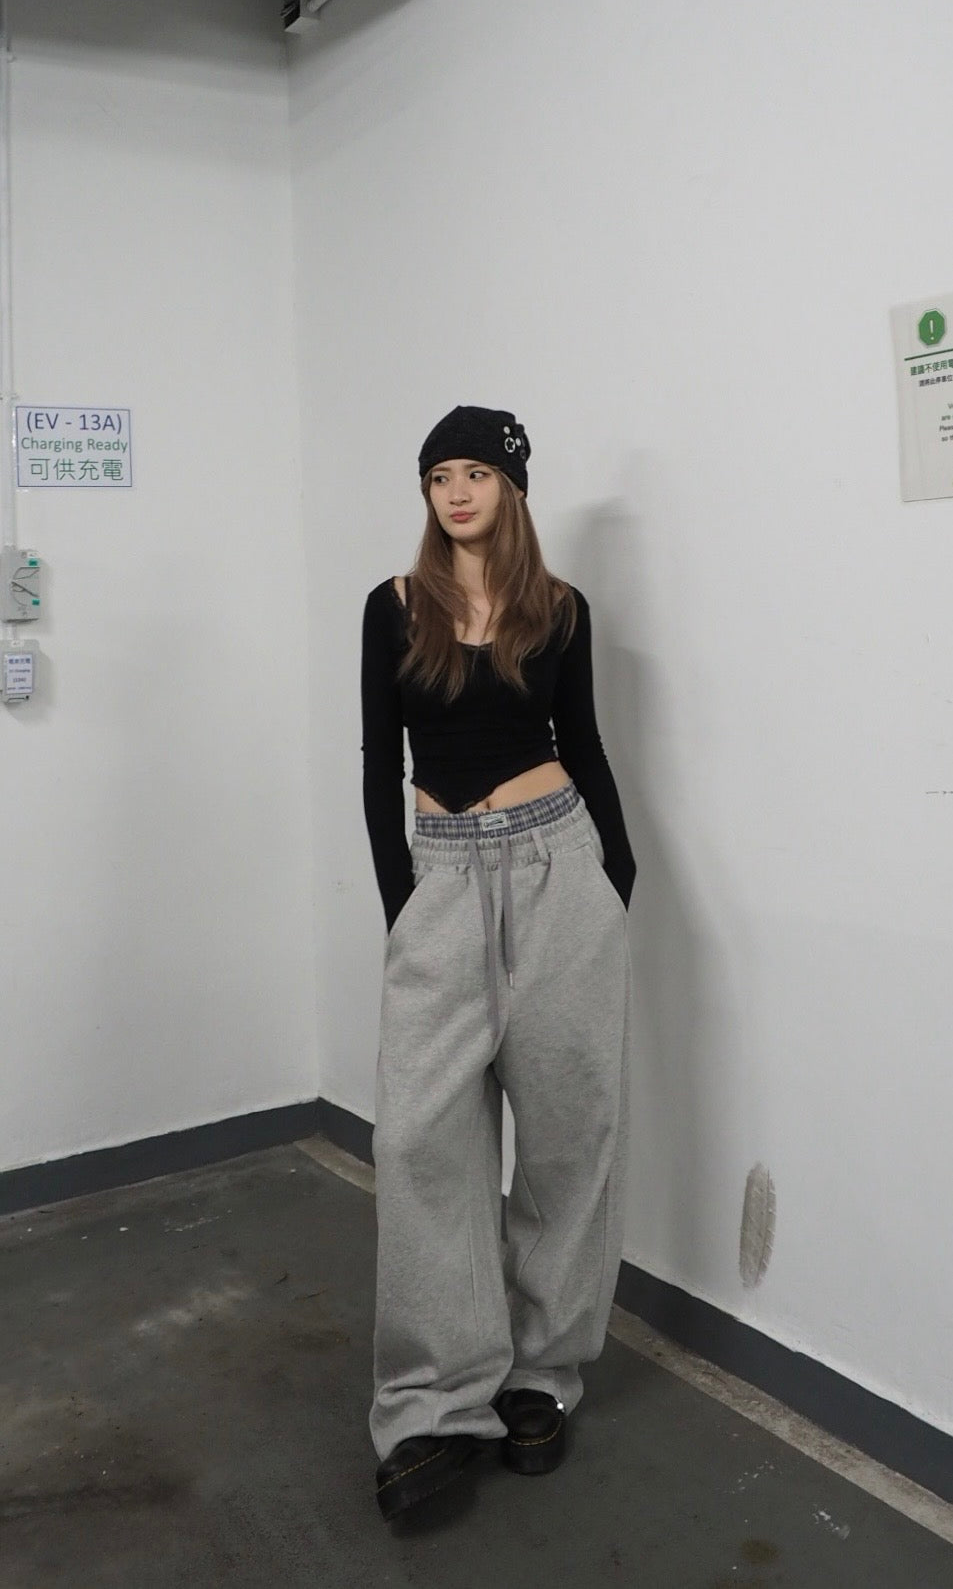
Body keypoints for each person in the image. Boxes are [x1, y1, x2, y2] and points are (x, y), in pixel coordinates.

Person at [360, 404, 637, 1521]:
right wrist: (405, 906)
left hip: (559, 867)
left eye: (476, 471)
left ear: (512, 487)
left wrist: (612, 879)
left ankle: (541, 1372)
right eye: (439, 476)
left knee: (569, 1130)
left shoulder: (559, 610)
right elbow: (380, 762)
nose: (456, 492)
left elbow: (586, 745)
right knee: (420, 1140)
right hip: (441, 875)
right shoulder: (393, 605)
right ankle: (432, 1402)